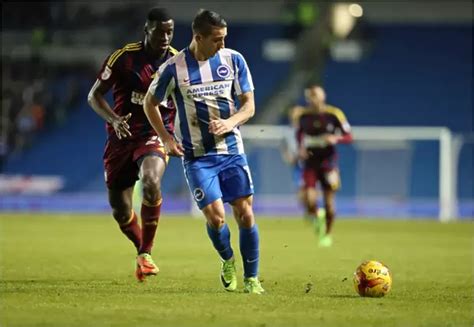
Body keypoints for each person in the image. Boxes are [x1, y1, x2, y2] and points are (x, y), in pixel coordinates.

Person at [143, 9, 264, 294]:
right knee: (216, 217)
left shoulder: (234, 60)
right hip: (197, 157)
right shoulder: (173, 68)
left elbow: (249, 106)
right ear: (198, 37)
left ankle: (252, 279)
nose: (222, 45)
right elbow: (150, 103)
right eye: (217, 40)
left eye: (224, 39)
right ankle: (227, 260)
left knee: (245, 214)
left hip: (232, 151)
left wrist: (230, 122)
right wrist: (167, 139)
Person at [87, 8, 178, 282]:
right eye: (160, 31)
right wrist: (114, 120)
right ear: (146, 30)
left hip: (154, 134)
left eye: (170, 32)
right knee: (121, 209)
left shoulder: (177, 63)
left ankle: (147, 253)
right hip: (121, 137)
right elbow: (94, 96)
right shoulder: (124, 57)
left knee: (151, 181)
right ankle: (141, 253)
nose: (165, 37)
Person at [294, 85, 353, 247]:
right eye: (311, 96)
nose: (314, 99)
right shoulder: (303, 116)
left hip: (329, 164)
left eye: (316, 95)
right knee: (310, 199)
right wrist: (301, 148)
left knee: (329, 205)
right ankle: (316, 216)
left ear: (323, 96)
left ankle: (326, 234)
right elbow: (299, 134)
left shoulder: (334, 114)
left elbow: (349, 136)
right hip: (310, 163)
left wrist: (336, 139)